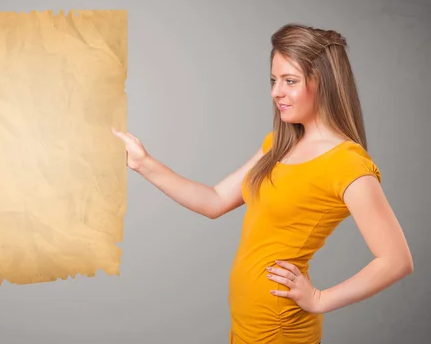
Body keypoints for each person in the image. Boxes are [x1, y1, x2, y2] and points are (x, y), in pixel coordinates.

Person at [111, 23, 414, 344]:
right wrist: (143, 163)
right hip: (248, 321)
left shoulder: (346, 161)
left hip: (280, 326)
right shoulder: (278, 145)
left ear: (323, 82)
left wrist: (321, 299)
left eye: (290, 81)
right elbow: (214, 200)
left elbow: (396, 260)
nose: (276, 92)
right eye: (274, 80)